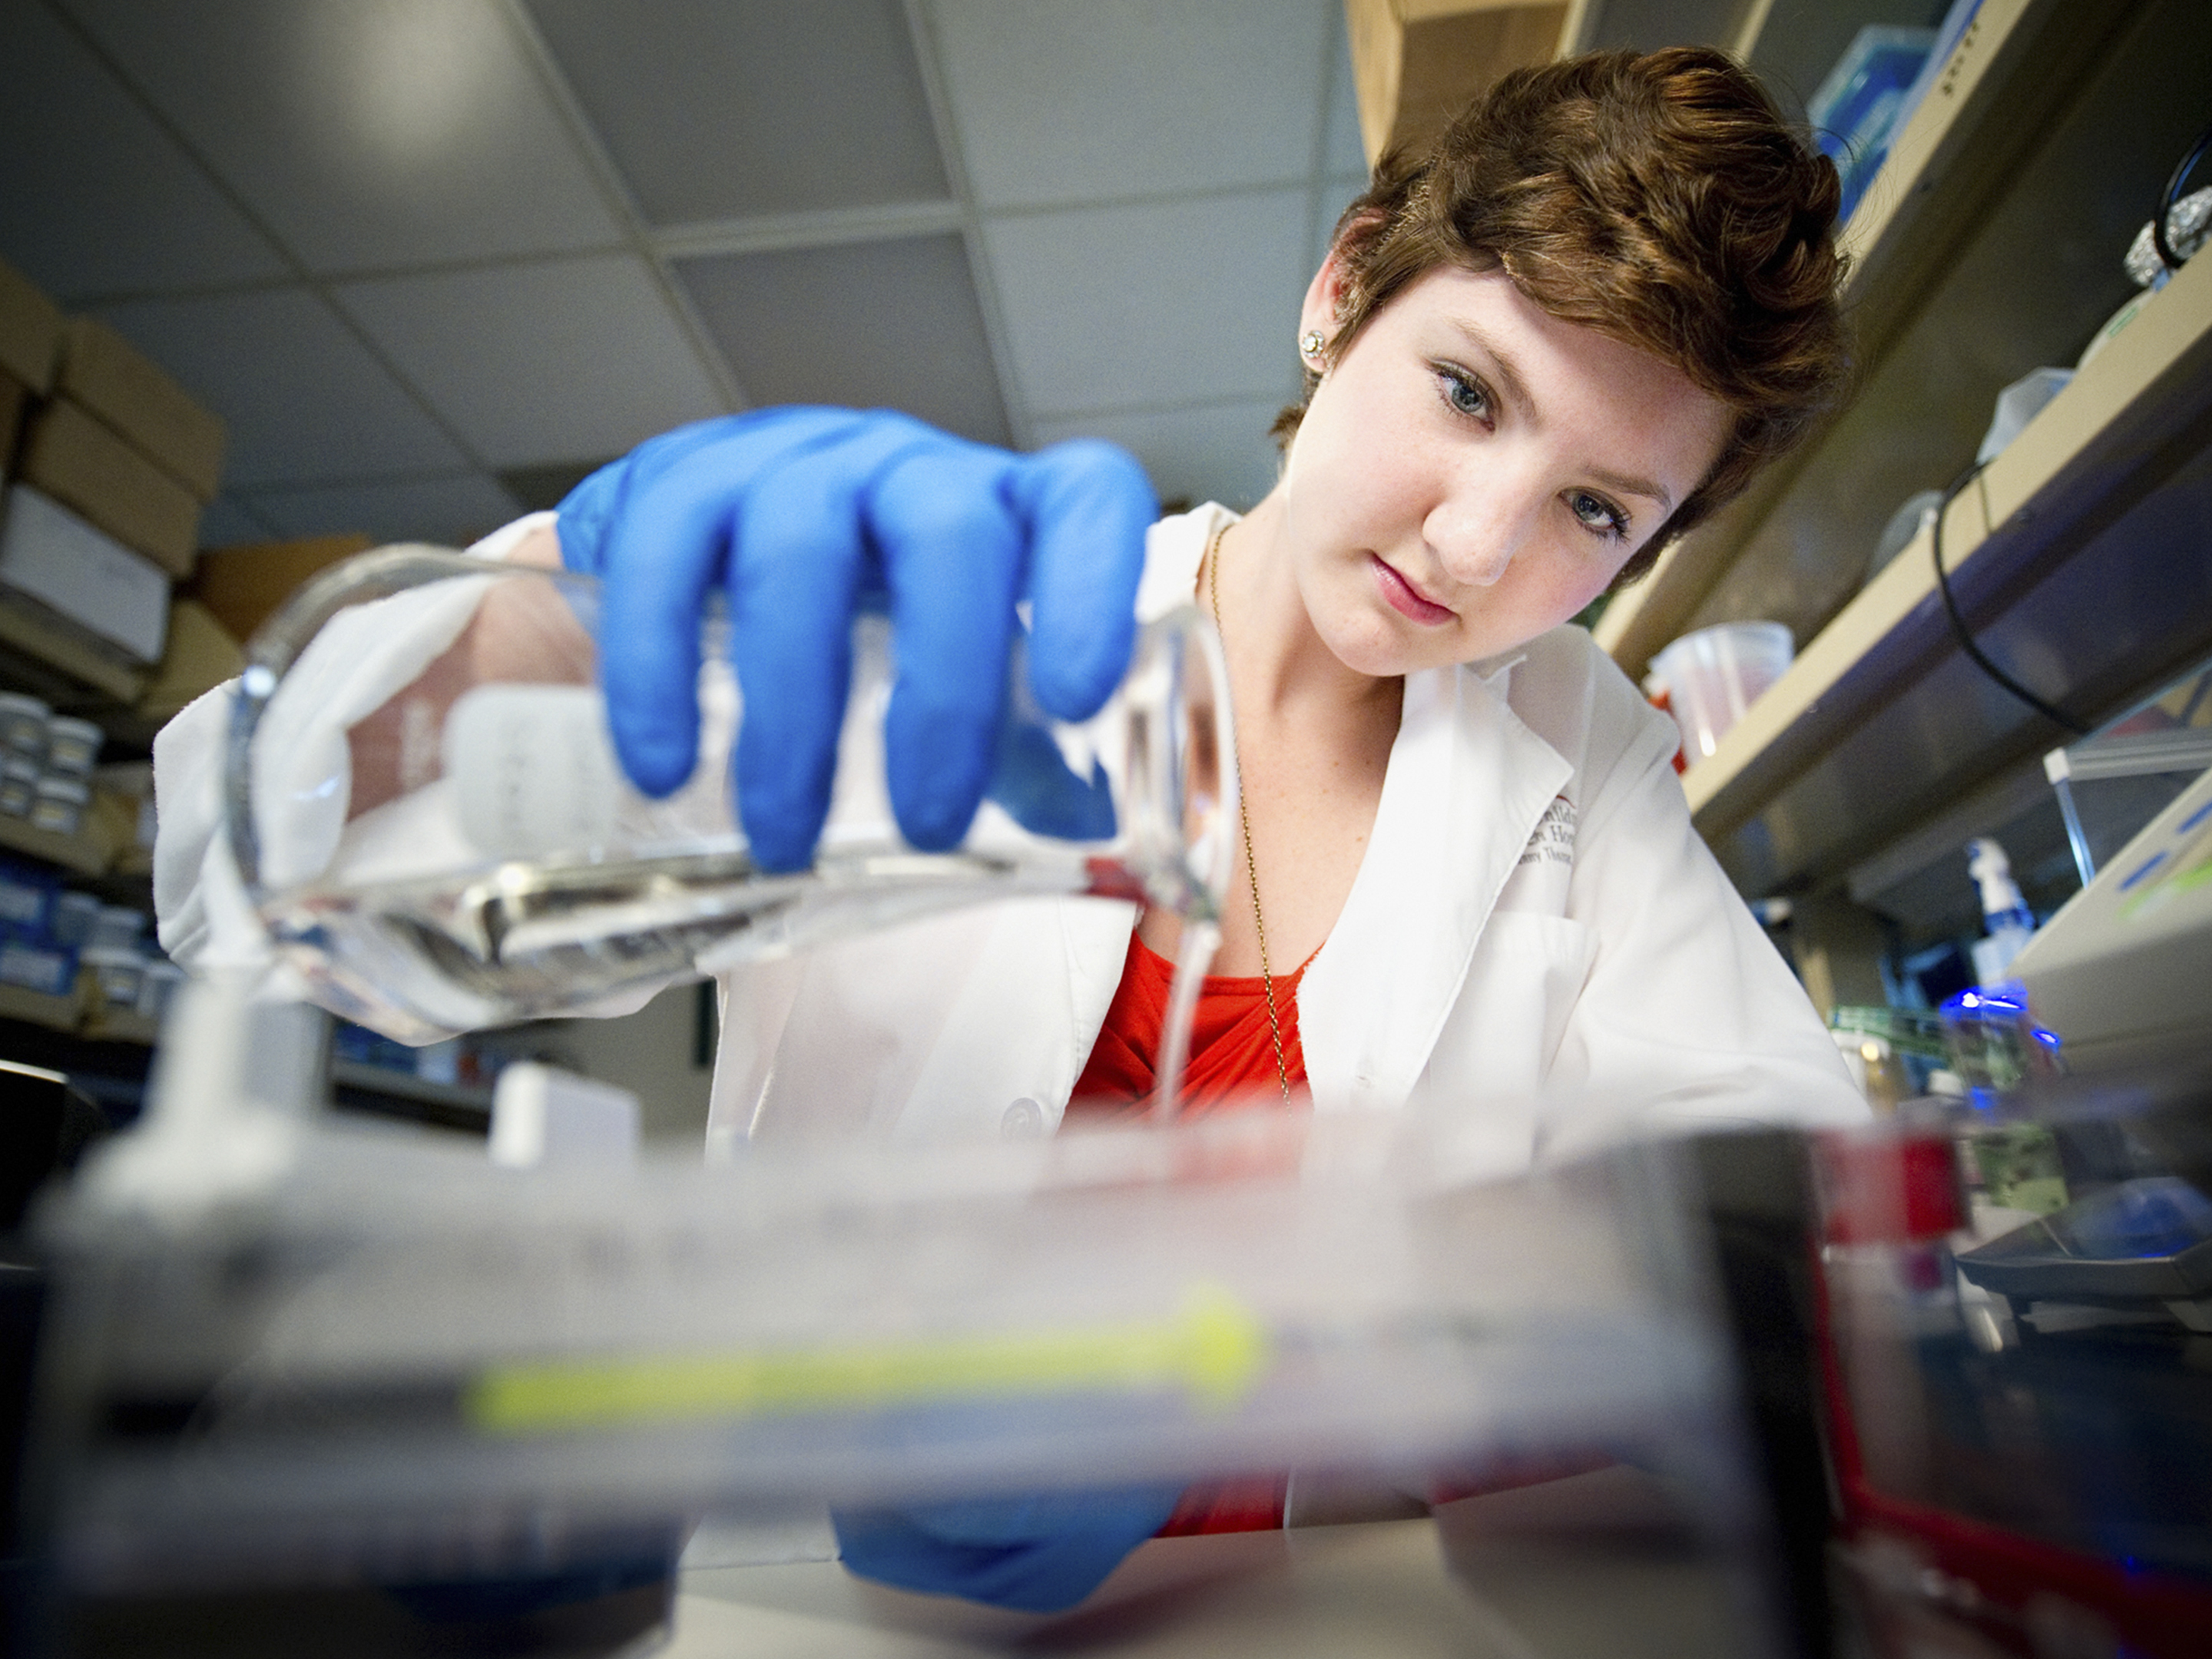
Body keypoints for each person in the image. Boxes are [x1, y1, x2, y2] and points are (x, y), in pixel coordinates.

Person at [154, 46, 1867, 1617]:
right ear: (1343, 291)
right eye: (1470, 393)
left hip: (1298, 1623)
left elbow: (1770, 1222)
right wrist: (523, 639)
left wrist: (1355, 1324)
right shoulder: (967, 622)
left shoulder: (1575, 755)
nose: (1486, 543)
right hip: (821, 1606)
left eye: (1594, 508)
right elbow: (256, 875)